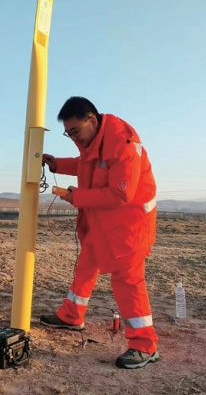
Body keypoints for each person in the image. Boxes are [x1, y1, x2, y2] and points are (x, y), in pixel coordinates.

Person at [39, 96, 160, 370]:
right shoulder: (94, 141)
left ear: (91, 120)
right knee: (86, 264)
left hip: (129, 226)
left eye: (75, 132)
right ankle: (72, 315)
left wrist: (77, 196)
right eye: (68, 133)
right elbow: (86, 165)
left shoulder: (122, 145)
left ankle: (145, 345)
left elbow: (121, 193)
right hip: (104, 220)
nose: (73, 138)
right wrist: (57, 164)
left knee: (127, 281)